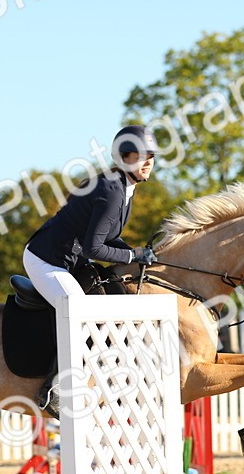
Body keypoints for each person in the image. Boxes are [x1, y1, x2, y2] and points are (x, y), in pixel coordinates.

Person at [22, 124, 161, 412]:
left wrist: (140, 254)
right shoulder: (111, 190)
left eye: (151, 155)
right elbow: (94, 249)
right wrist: (134, 255)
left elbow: (108, 238)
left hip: (71, 260)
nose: (148, 161)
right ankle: (53, 389)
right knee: (79, 309)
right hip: (47, 259)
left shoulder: (124, 186)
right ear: (124, 157)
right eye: (141, 155)